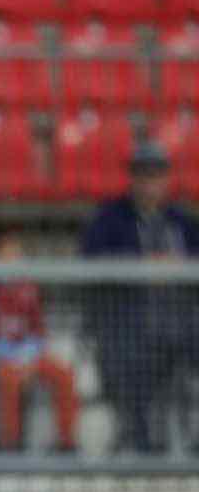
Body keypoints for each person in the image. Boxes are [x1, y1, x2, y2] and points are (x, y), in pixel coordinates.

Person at [81, 141, 199, 454]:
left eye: (157, 174)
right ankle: (142, 444)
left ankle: (190, 441)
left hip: (182, 322)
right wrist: (141, 266)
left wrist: (180, 267)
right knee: (134, 361)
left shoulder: (181, 220)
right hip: (128, 324)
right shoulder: (110, 217)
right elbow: (92, 263)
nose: (150, 182)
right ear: (132, 178)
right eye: (143, 174)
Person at [0, 226, 78, 453]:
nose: (12, 259)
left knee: (64, 373)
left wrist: (29, 357)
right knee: (8, 381)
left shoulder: (28, 287)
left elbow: (38, 330)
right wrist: (12, 358)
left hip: (29, 356)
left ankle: (67, 442)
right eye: (6, 253)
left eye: (16, 253)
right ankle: (10, 444)